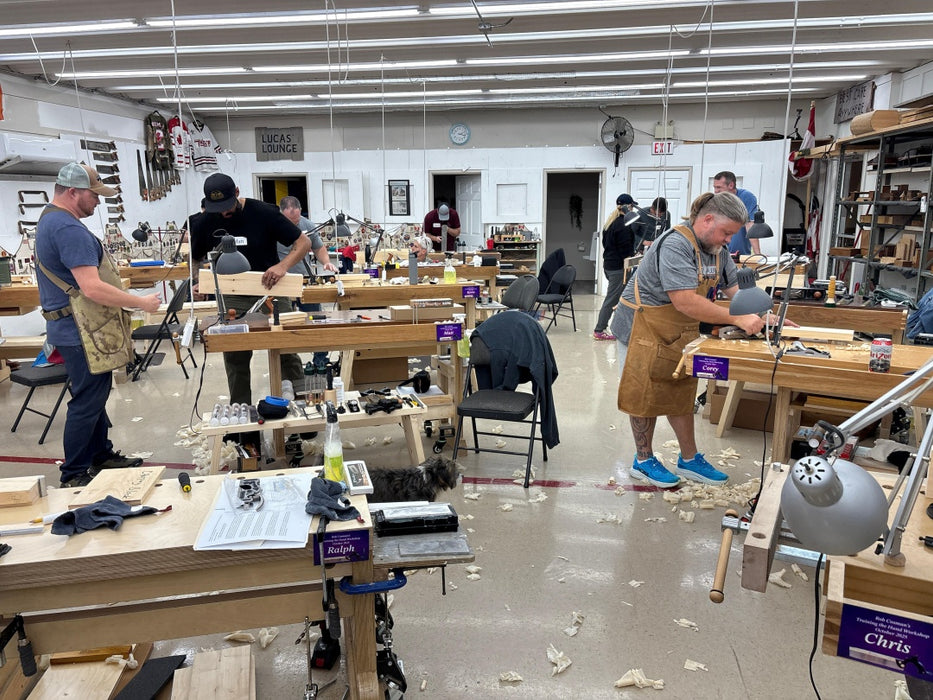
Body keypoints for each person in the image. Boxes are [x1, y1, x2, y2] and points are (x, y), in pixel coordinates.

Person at [610, 191, 777, 489]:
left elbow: (734, 291)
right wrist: (736, 319)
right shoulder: (676, 244)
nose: (728, 240)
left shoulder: (717, 249)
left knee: (680, 390)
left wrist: (763, 314)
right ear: (708, 219)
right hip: (641, 325)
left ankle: (689, 458)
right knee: (645, 392)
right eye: (726, 232)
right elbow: (686, 301)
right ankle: (643, 460)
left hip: (676, 329)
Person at [36, 163, 162, 487]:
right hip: (80, 332)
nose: (98, 202)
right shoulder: (68, 229)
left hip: (73, 330)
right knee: (87, 400)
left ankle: (99, 455)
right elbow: (91, 288)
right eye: (94, 195)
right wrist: (141, 302)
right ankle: (75, 472)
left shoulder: (53, 220)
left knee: (94, 394)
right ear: (73, 192)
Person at [190, 173, 312, 408]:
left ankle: (300, 406)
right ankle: (241, 413)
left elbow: (304, 243)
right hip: (232, 293)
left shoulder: (263, 212)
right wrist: (198, 282)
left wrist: (282, 266)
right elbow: (195, 258)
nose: (224, 213)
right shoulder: (204, 221)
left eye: (227, 206)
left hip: (272, 289)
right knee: (235, 354)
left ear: (236, 192)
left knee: (286, 348)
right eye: (218, 208)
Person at [593, 194, 638, 341]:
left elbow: (607, 245)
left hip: (609, 265)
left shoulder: (611, 222)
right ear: (628, 206)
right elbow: (625, 250)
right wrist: (632, 257)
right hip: (619, 268)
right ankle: (599, 330)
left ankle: (622, 328)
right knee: (612, 300)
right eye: (632, 206)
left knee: (621, 298)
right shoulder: (624, 225)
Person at [277, 196, 338, 277]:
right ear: (280, 213)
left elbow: (318, 248)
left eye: (296, 220)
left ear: (300, 210)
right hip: (278, 276)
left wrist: (326, 262)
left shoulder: (308, 225)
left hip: (303, 275)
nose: (293, 226)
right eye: (289, 222)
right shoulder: (271, 226)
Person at [713, 171, 760, 256]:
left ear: (731, 185)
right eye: (715, 187)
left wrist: (758, 254)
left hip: (740, 255)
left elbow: (750, 225)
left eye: (719, 187)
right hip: (719, 254)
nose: (716, 191)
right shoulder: (716, 200)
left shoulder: (746, 197)